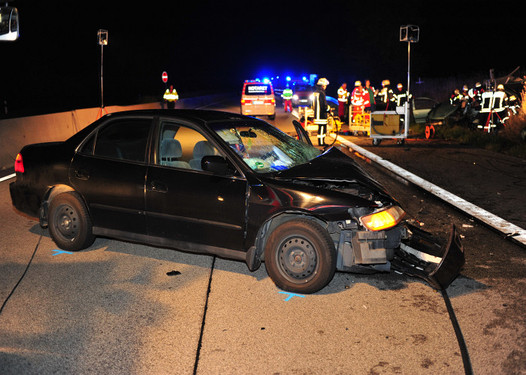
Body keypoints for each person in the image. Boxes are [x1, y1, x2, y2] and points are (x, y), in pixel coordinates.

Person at [312, 77, 330, 146]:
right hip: (322, 114)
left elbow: (313, 104)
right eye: (325, 86)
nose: (325, 87)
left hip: (317, 114)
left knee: (320, 128)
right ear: (322, 86)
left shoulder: (315, 93)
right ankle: (321, 142)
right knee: (322, 128)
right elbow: (324, 105)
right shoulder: (322, 93)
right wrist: (328, 109)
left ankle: (320, 141)